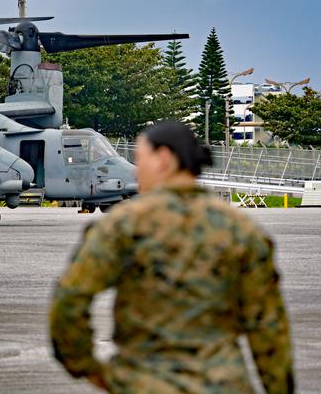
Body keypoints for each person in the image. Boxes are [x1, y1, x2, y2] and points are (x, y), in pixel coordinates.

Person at [49, 121, 294, 393]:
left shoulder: (123, 225)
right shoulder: (241, 229)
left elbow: (70, 298)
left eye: (141, 160)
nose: (137, 172)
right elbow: (269, 326)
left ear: (163, 160)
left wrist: (87, 367)